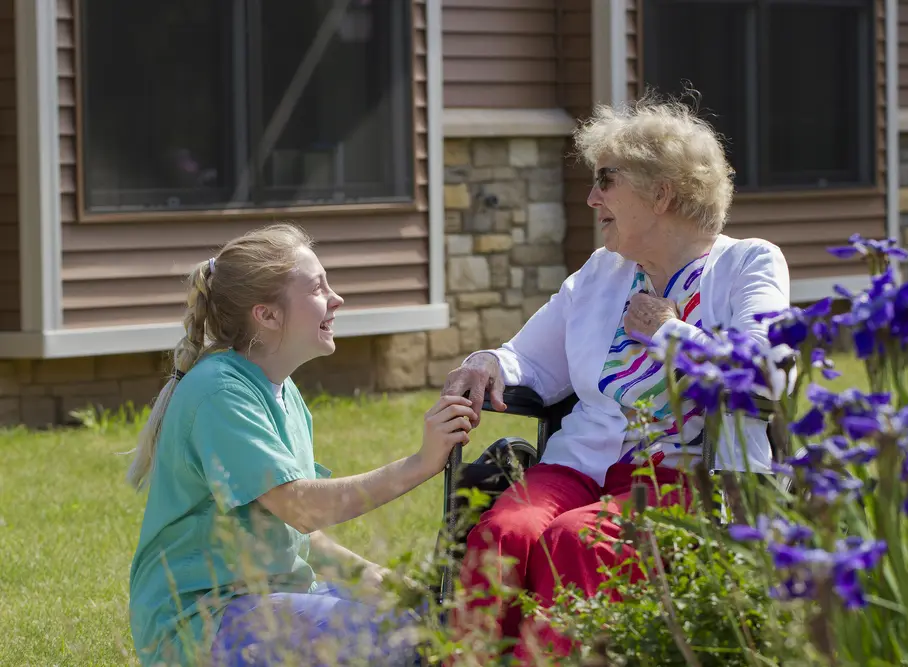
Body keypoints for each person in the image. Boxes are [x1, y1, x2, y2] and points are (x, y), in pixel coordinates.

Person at [442, 95, 792, 662]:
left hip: (683, 472)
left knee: (576, 541)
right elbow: (531, 361)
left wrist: (669, 333)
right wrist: (488, 363)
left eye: (606, 180)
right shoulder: (602, 272)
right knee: (503, 533)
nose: (591, 197)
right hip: (581, 461)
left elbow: (763, 374)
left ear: (663, 192)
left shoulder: (747, 264)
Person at [127, 223, 476, 666]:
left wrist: (376, 578)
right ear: (267, 315)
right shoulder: (219, 393)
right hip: (200, 622)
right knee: (402, 640)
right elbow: (301, 507)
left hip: (267, 596)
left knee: (430, 617)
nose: (337, 299)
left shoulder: (281, 390)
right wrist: (421, 463)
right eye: (317, 288)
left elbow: (298, 535)